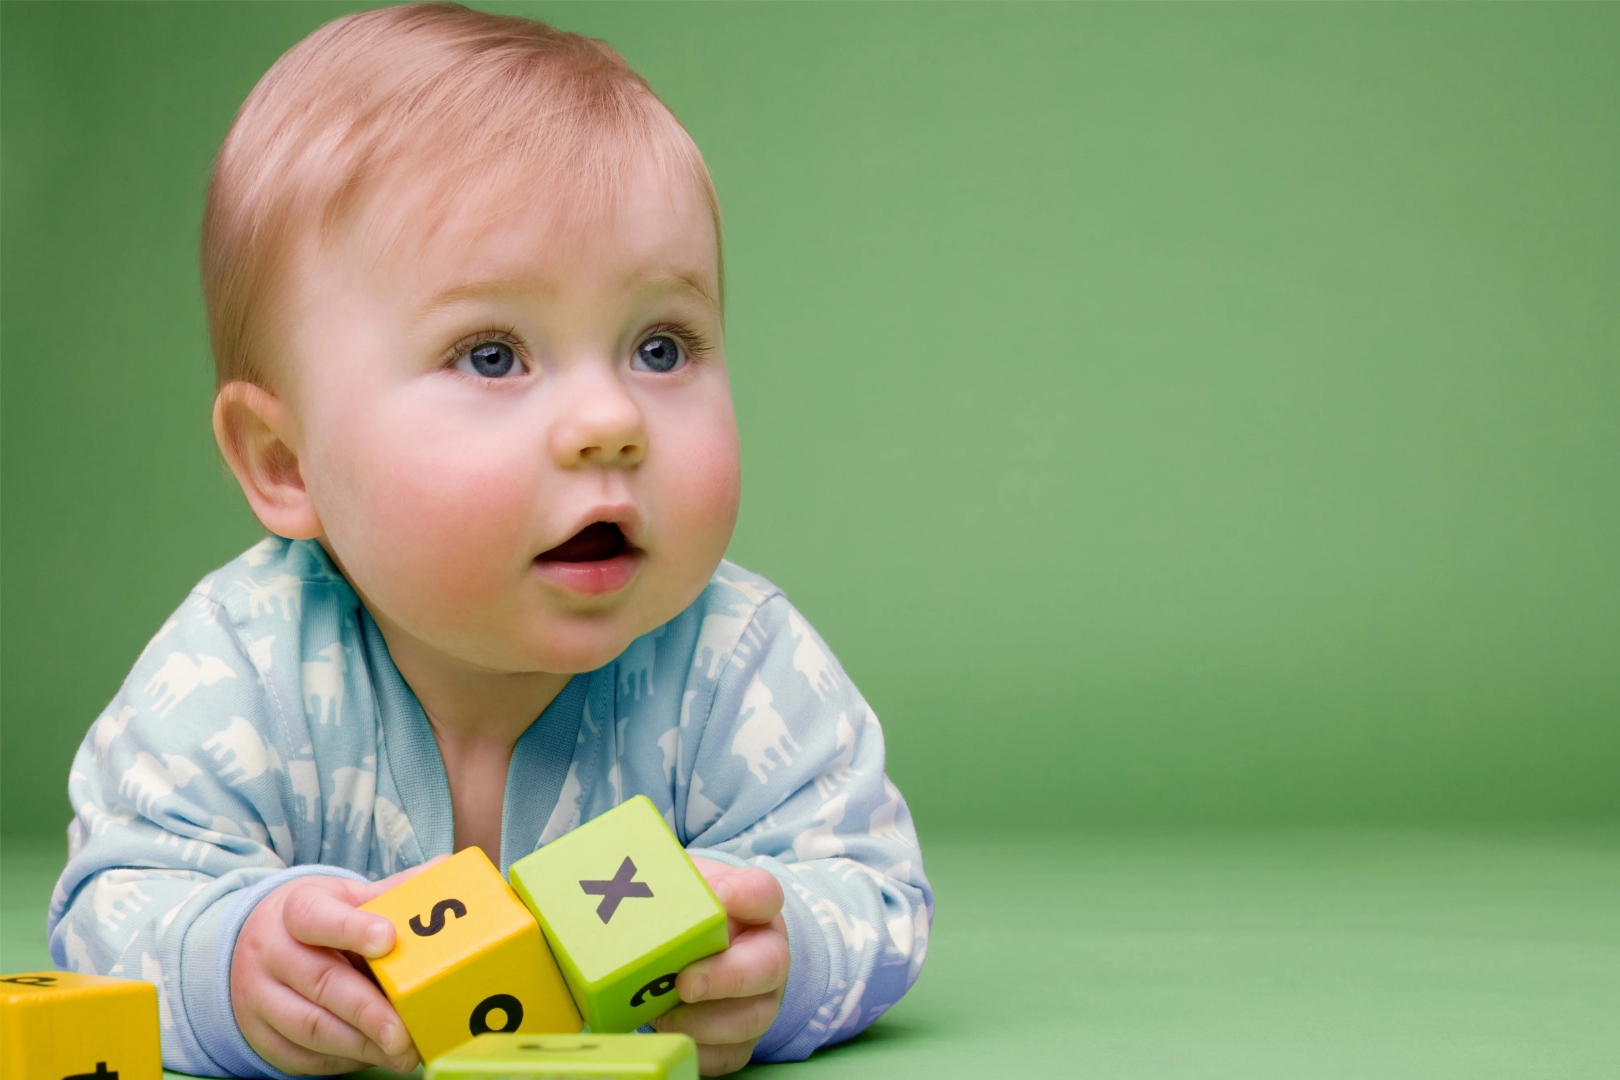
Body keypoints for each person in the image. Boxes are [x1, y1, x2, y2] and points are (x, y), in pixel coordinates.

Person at [46, 5, 931, 1076]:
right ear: (286, 461)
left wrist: (782, 955)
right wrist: (229, 958)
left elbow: (876, 887)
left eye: (662, 344)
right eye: (492, 355)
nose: (611, 420)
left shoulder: (736, 663)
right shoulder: (238, 666)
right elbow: (111, 897)